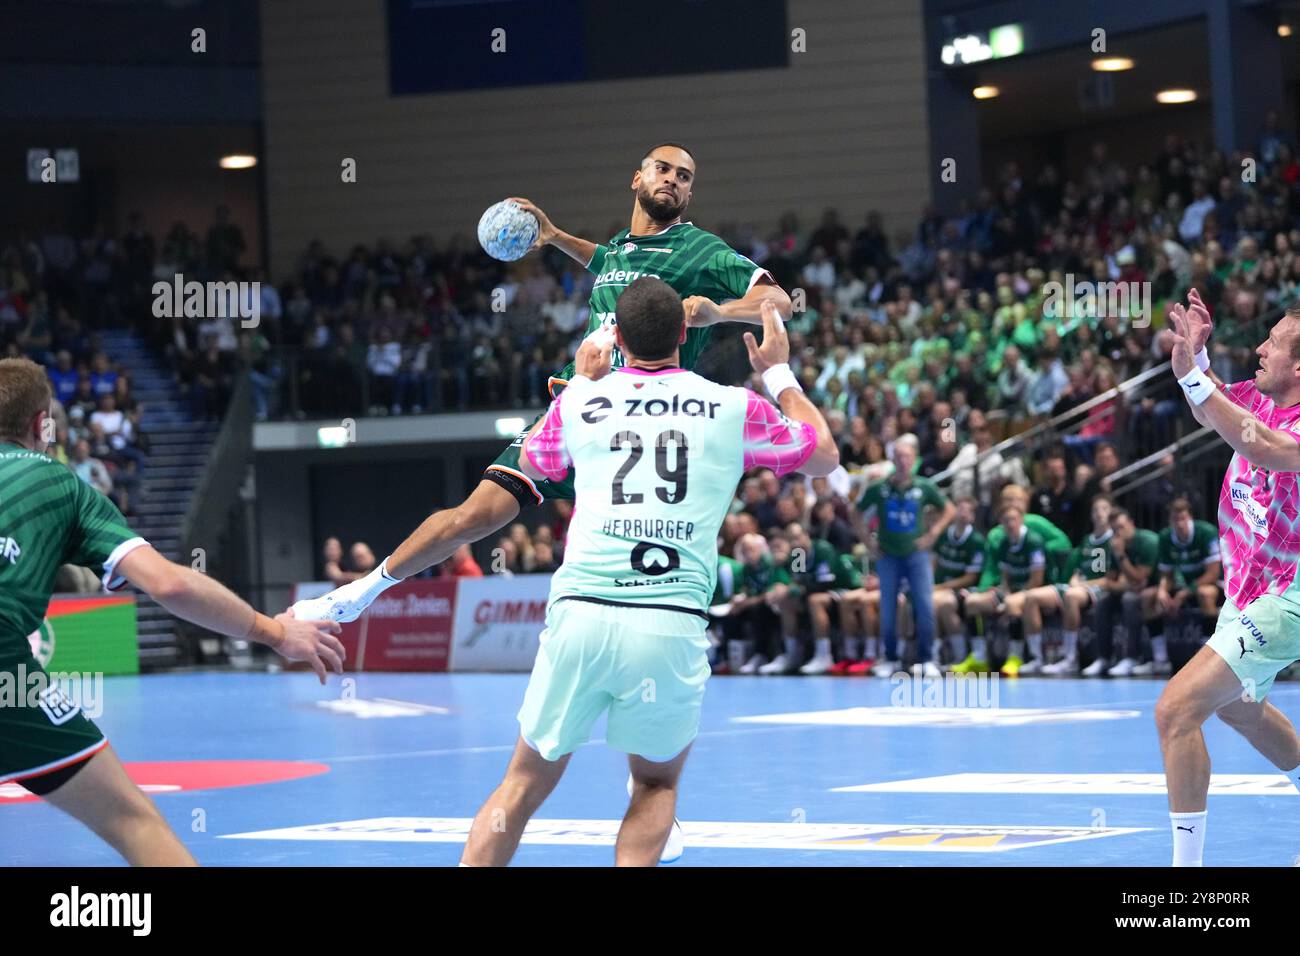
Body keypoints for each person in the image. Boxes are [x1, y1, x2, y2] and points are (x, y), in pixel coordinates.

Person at [412, 281, 834, 866]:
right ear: (686, 336)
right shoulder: (734, 405)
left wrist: (584, 382)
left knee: (523, 782)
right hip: (668, 621)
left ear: (617, 338)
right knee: (656, 784)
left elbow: (535, 462)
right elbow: (824, 455)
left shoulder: (584, 400)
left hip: (582, 613)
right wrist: (780, 374)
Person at [296, 144, 791, 622]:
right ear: (637, 179)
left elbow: (780, 302)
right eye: (663, 169)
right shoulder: (622, 246)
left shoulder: (699, 250)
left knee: (628, 545)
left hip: (641, 425)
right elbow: (609, 262)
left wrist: (718, 312)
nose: (673, 180)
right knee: (474, 516)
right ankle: (362, 592)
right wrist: (554, 236)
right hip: (578, 408)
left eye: (684, 177)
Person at [0, 358, 343, 866]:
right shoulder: (62, 484)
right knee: (133, 822)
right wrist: (274, 632)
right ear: (40, 424)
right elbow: (168, 583)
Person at [1156, 289, 1300, 866]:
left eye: (1274, 342)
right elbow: (1212, 409)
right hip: (1246, 594)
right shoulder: (1259, 401)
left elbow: (1260, 447)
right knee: (1238, 706)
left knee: (1176, 709)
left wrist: (1196, 379)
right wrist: (1195, 361)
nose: (1260, 348)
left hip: (1288, 596)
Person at [853, 435, 955, 677]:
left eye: (907, 456)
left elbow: (948, 509)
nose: (903, 461)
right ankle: (890, 658)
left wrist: (933, 534)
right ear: (892, 459)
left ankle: (928, 658)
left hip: (917, 554)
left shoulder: (924, 486)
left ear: (914, 460)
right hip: (888, 555)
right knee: (888, 607)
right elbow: (855, 513)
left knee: (924, 605)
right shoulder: (879, 488)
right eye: (898, 456)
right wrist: (868, 541)